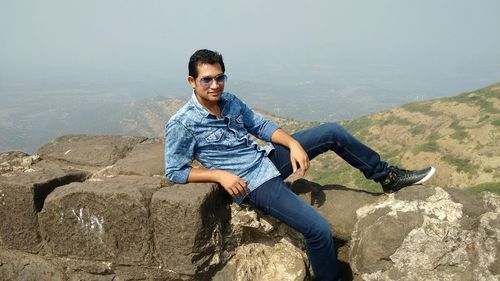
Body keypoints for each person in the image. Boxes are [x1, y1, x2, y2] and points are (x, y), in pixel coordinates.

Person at [164, 49, 435, 281]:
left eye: (220, 77)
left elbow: (261, 126)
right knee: (318, 230)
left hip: (267, 157)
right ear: (192, 81)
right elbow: (174, 170)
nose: (215, 85)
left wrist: (293, 144)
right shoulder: (183, 122)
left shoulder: (230, 101)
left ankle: (387, 176)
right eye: (207, 79)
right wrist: (219, 175)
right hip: (254, 184)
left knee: (332, 132)